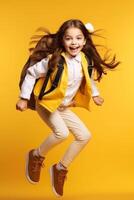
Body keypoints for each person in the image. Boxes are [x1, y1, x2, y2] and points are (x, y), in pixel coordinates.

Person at [16, 19, 119, 197]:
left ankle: (60, 168)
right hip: (46, 103)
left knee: (85, 135)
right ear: (62, 40)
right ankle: (36, 155)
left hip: (62, 107)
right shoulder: (54, 60)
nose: (74, 43)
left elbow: (89, 78)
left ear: (84, 41)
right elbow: (32, 73)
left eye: (78, 38)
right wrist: (24, 98)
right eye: (69, 38)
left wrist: (95, 94)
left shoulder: (85, 61)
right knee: (61, 133)